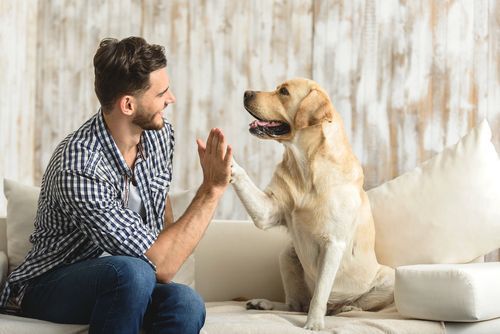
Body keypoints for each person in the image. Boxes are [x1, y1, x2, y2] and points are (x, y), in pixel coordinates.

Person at [0, 36, 233, 334]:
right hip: (49, 284)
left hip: (131, 280)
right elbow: (159, 264)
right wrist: (211, 189)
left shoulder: (159, 136)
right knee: (131, 271)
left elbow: (161, 210)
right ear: (127, 104)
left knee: (185, 302)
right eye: (161, 92)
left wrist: (165, 254)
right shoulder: (80, 164)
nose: (171, 98)